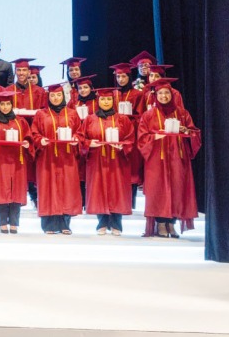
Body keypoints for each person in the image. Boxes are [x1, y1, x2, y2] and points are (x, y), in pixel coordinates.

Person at [136, 79, 200, 238]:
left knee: (177, 189)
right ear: (156, 96)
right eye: (160, 93)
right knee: (158, 191)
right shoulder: (148, 115)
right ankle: (161, 223)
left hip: (178, 158)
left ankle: (172, 223)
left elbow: (194, 134)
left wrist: (186, 131)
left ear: (172, 95)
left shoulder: (183, 113)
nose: (164, 96)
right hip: (157, 159)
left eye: (166, 93)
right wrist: (154, 136)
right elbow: (142, 138)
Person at [82, 88, 135, 236]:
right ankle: (102, 222)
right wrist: (89, 144)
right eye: (103, 99)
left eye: (109, 99)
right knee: (99, 189)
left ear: (113, 101)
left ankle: (116, 223)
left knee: (117, 189)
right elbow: (81, 138)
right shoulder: (90, 119)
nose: (106, 102)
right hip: (97, 159)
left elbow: (130, 139)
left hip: (117, 160)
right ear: (98, 101)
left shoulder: (122, 119)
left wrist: (122, 145)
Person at [32, 83, 83, 234]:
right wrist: (40, 140)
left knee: (66, 189)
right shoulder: (41, 114)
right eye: (53, 95)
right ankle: (48, 225)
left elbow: (80, 133)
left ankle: (65, 224)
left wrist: (76, 139)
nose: (55, 98)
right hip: (47, 158)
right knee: (48, 189)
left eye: (58, 95)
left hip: (66, 157)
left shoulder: (72, 114)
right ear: (49, 97)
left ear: (63, 96)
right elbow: (34, 133)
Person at [0, 91, 32, 233]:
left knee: (16, 191)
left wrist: (26, 143)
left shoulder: (20, 121)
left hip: (17, 161)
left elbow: (29, 138)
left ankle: (14, 222)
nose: (5, 107)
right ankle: (2, 223)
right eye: (2, 104)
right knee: (0, 192)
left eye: (7, 104)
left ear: (12, 105)